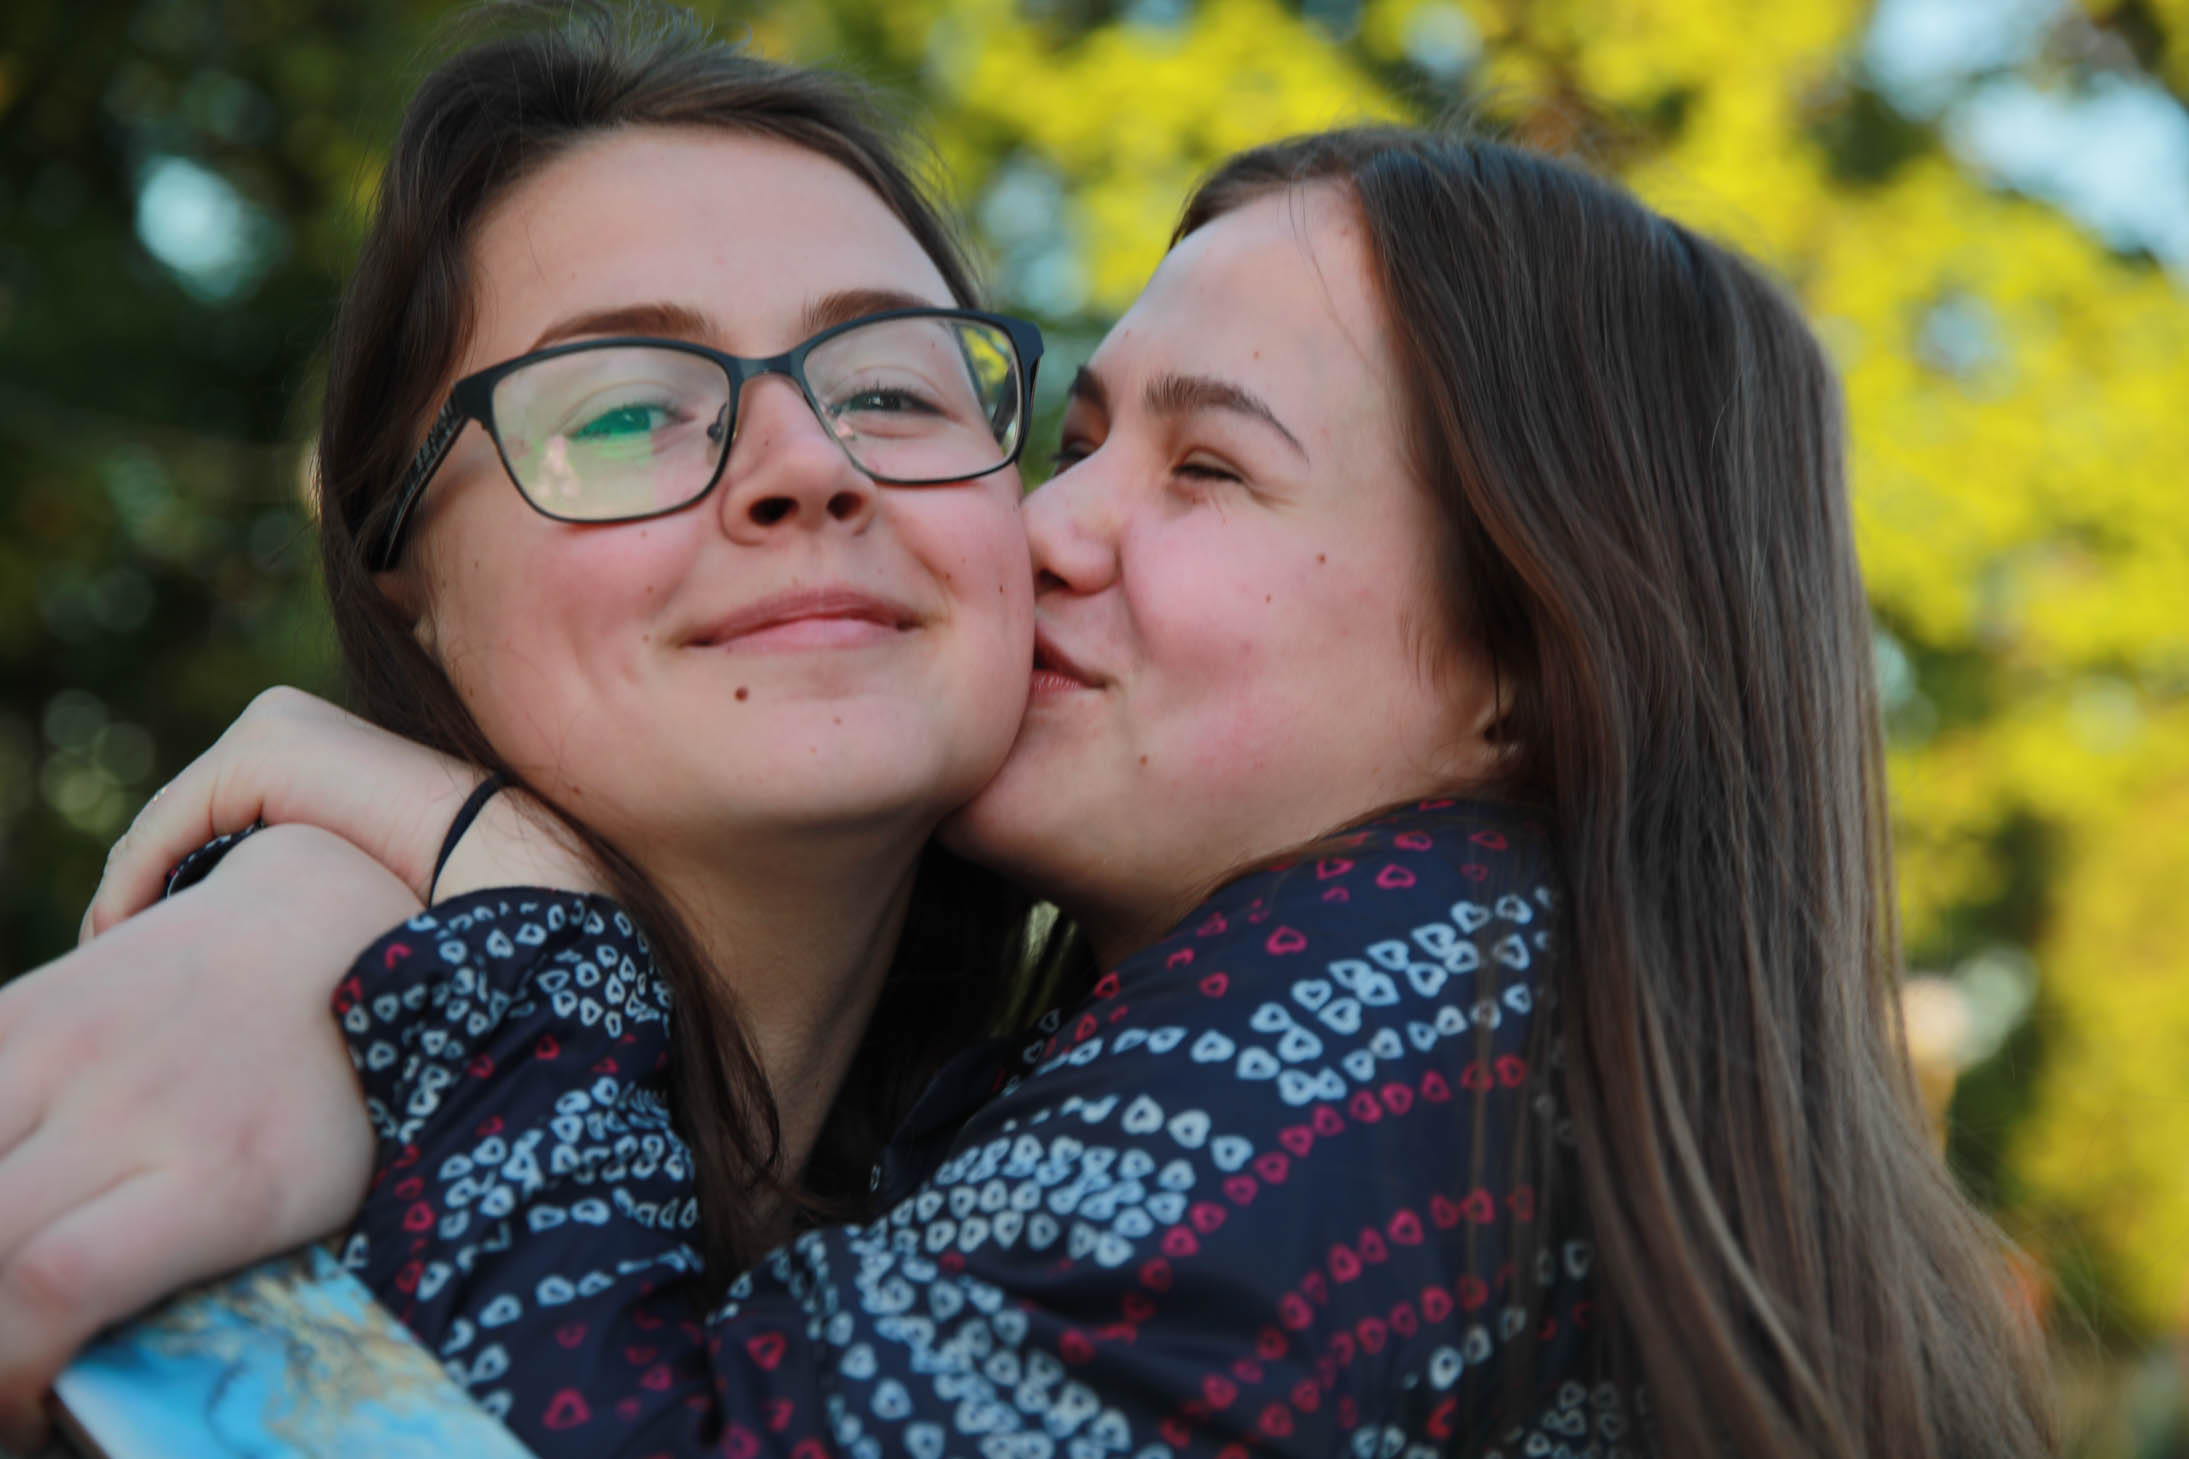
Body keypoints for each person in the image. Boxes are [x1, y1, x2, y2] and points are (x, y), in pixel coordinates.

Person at [0, 10, 2057, 1459]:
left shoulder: (1438, 998)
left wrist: (472, 892)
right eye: (621, 405)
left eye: (894, 389)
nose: (815, 466)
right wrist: (318, 902)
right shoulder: (135, 1138)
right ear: (399, 569)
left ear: (1526, 653)